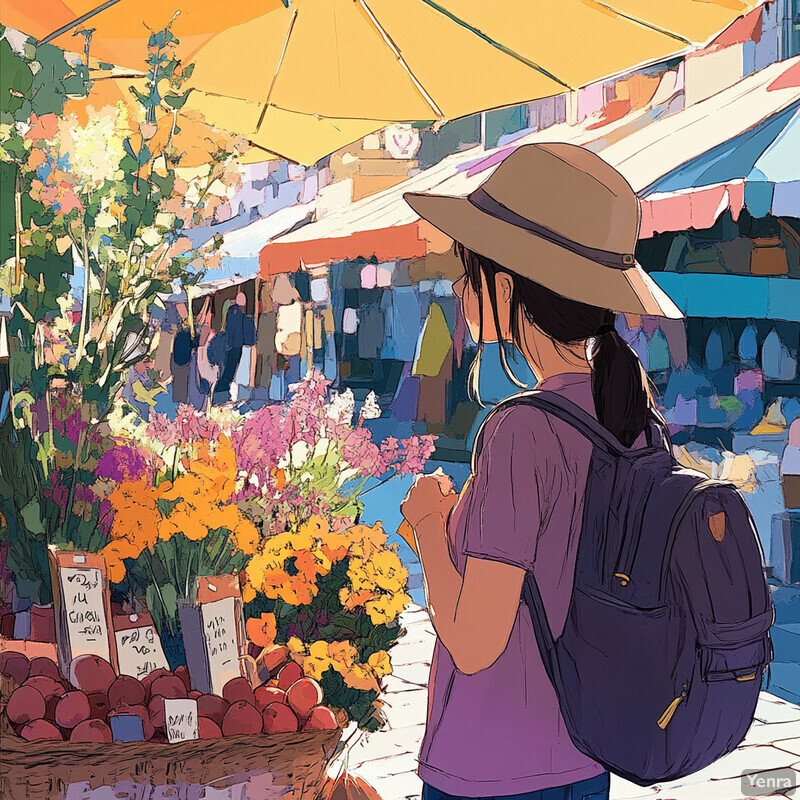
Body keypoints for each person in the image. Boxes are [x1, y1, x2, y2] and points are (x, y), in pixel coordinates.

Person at [399, 143, 682, 800]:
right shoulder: (636, 420)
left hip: (491, 769)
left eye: (469, 272)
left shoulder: (519, 432)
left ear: (506, 285)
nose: (460, 289)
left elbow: (474, 644)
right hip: (585, 757)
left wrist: (430, 530)